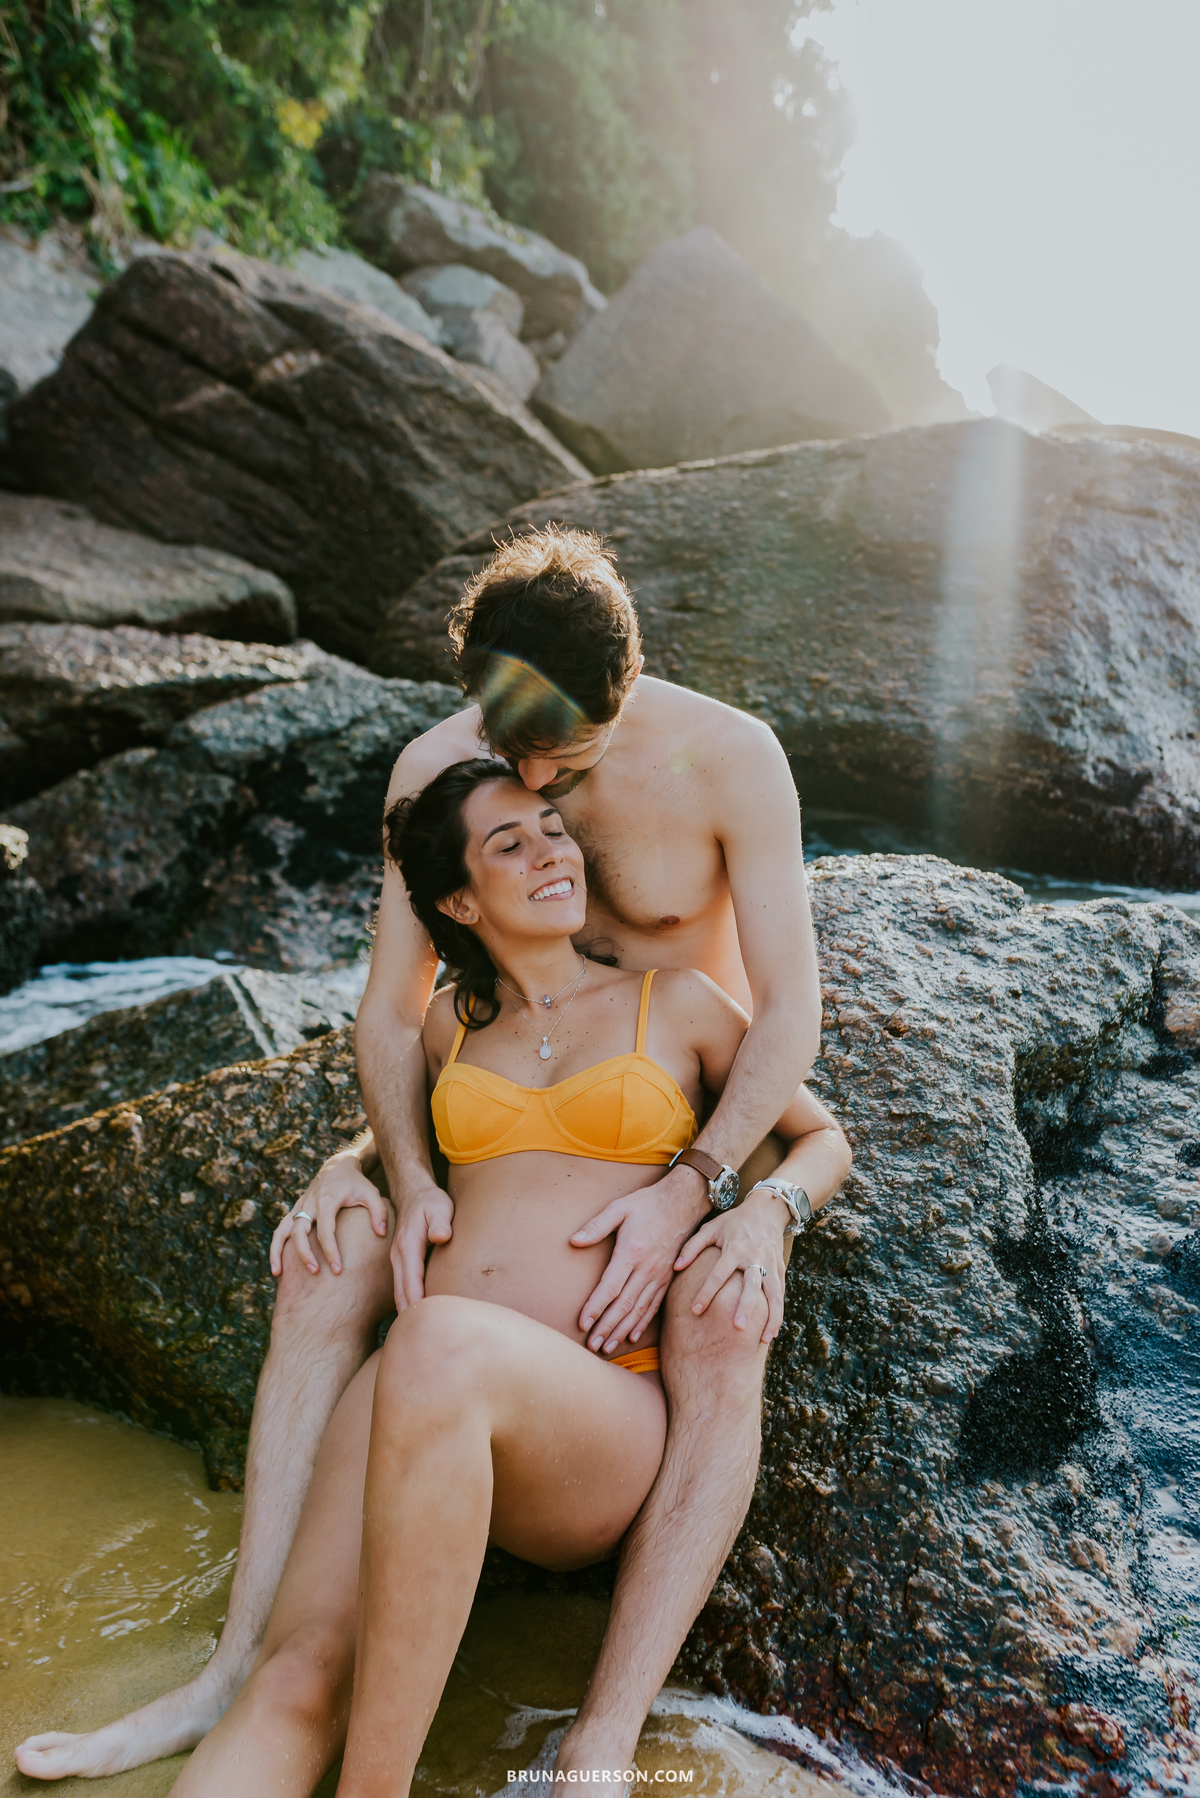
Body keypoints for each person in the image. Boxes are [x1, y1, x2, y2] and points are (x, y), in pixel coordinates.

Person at [16, 526, 825, 1784]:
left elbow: (788, 1014)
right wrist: (391, 1168)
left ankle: (601, 1737)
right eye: (511, 752)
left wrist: (713, 1188)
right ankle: (235, 1667)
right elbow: (399, 1014)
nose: (536, 784)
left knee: (729, 1313)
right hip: (498, 1097)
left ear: (630, 681)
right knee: (329, 1259)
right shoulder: (450, 768)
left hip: (669, 1122)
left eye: (563, 752)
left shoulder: (729, 761)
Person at [161, 761, 851, 1795]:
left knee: (433, 1336)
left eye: (552, 830)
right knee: (293, 1677)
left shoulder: (680, 1003)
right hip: (417, 1400)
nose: (551, 853)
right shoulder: (449, 1022)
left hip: (593, 1413)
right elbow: (390, 1130)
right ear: (458, 899)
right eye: (511, 845)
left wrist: (764, 1211)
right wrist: (343, 1168)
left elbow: (821, 1137)